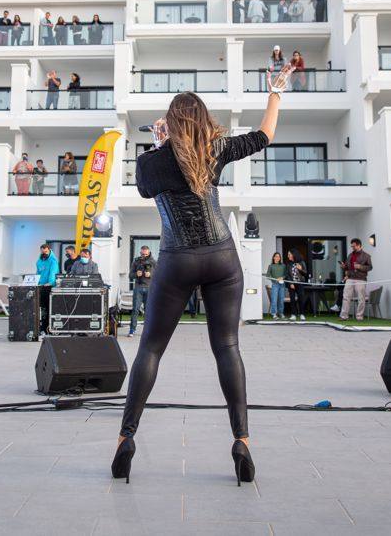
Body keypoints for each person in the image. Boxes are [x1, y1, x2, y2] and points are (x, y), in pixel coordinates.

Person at [114, 66, 287, 485]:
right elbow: (264, 136)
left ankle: (125, 439)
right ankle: (242, 440)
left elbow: (149, 183)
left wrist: (158, 143)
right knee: (227, 347)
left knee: (151, 348)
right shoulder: (215, 149)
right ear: (203, 119)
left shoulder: (150, 163)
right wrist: (275, 94)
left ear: (170, 123)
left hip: (178, 259)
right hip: (222, 258)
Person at [339, 238, 372, 321]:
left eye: (353, 246)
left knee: (361, 298)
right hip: (350, 278)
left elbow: (370, 267)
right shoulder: (350, 255)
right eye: (351, 246)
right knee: (346, 297)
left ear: (359, 245)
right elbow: (347, 266)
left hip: (361, 279)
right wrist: (344, 266)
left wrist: (360, 267)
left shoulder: (366, 256)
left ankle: (359, 316)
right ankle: (344, 316)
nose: (352, 247)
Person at [129, 246, 154, 336]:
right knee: (135, 309)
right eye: (142, 254)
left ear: (149, 253)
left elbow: (159, 275)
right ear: (140, 253)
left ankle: (148, 331)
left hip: (149, 288)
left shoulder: (153, 262)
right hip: (138, 287)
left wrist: (151, 274)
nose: (144, 256)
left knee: (149, 310)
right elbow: (130, 275)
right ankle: (132, 329)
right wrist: (136, 274)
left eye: (146, 254)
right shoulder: (136, 261)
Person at [285, 248, 308, 320]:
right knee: (292, 299)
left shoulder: (301, 262)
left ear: (293, 254)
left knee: (301, 299)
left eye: (289, 254)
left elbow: (305, 273)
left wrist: (300, 269)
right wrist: (291, 283)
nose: (288, 256)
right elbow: (287, 275)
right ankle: (293, 314)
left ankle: (302, 314)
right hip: (292, 284)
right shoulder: (289, 264)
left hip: (300, 283)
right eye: (288, 254)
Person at [265, 252, 286, 319]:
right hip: (275, 284)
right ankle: (274, 314)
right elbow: (267, 276)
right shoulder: (271, 266)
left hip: (282, 285)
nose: (278, 258)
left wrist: (282, 277)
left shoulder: (283, 265)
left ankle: (281, 313)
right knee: (274, 299)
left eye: (279, 257)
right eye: (276, 256)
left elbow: (286, 274)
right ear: (274, 257)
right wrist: (274, 279)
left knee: (281, 300)